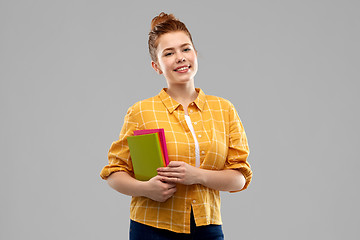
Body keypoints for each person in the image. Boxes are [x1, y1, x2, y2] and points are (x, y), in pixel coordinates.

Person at [100, 12, 252, 240]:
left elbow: (240, 177)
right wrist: (147, 189)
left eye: (185, 49)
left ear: (196, 54)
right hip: (151, 227)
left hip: (207, 228)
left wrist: (198, 176)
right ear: (156, 66)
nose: (180, 57)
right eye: (168, 53)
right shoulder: (141, 111)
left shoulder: (224, 109)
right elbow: (113, 173)